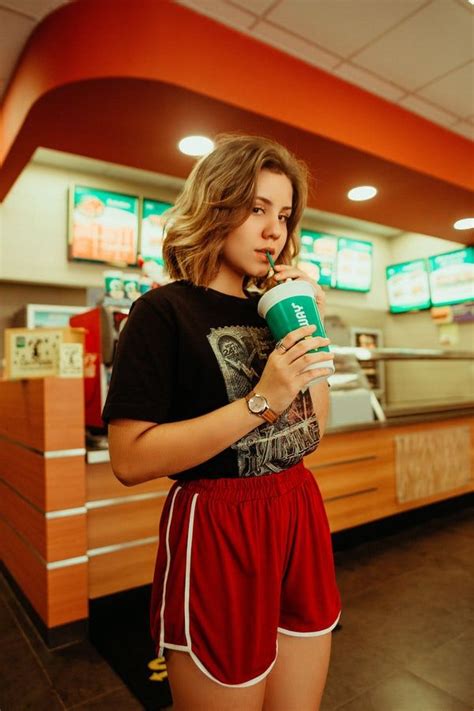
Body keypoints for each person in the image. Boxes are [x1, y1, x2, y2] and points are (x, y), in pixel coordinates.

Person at [103, 134, 341, 711]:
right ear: (216, 205)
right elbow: (129, 459)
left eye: (283, 215)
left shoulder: (277, 307)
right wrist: (260, 400)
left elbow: (313, 429)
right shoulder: (162, 313)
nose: (273, 231)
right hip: (218, 525)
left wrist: (307, 333)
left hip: (297, 510)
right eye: (256, 209)